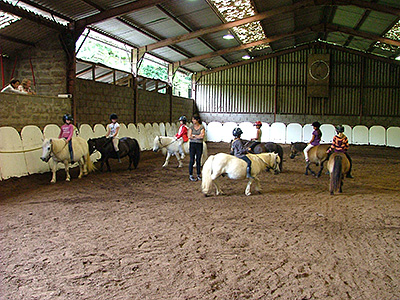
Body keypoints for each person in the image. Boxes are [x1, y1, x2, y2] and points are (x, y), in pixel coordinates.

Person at [188, 115, 205, 181]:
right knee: (191, 160)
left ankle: (198, 174)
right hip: (193, 144)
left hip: (199, 144)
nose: (193, 121)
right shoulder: (191, 127)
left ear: (197, 120)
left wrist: (194, 136)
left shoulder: (201, 127)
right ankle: (191, 174)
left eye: (194, 119)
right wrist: (198, 136)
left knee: (198, 160)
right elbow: (189, 136)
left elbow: (202, 136)